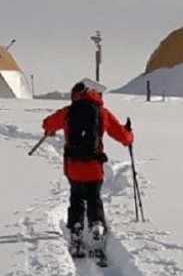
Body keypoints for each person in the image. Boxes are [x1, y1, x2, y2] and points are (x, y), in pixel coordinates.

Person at [42, 81, 134, 250]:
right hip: (94, 167)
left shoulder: (68, 112)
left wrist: (51, 129)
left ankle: (76, 229)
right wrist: (129, 135)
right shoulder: (102, 112)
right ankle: (97, 225)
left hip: (73, 167)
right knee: (94, 198)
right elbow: (122, 136)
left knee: (76, 199)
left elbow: (47, 123)